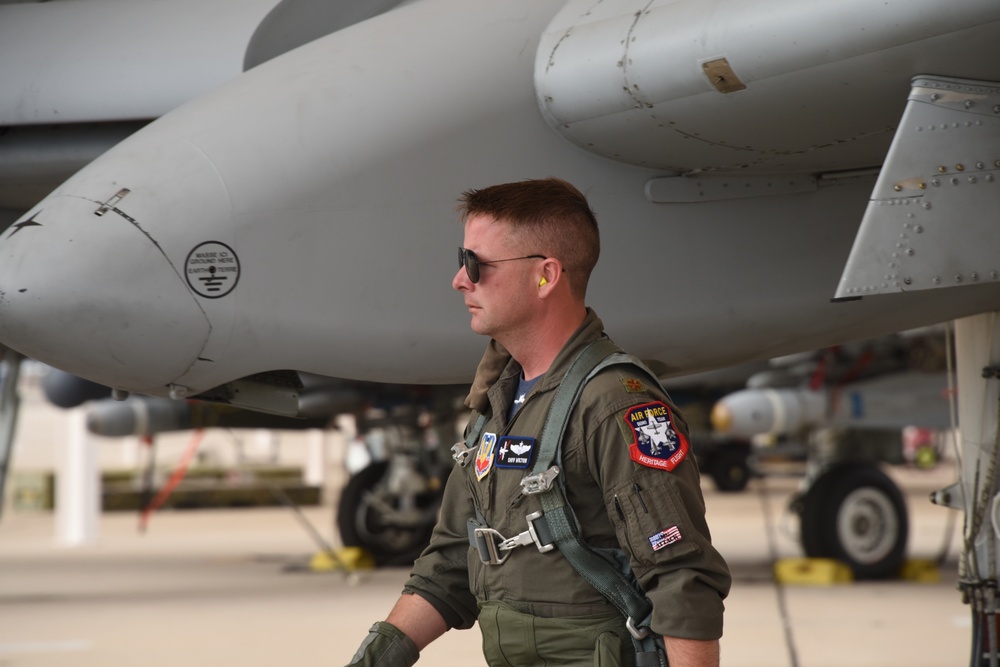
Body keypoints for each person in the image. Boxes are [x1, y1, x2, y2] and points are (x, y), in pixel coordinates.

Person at [346, 177, 731, 667]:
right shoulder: (497, 405)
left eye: (476, 264)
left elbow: (680, 578)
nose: (460, 280)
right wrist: (375, 658)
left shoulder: (614, 404)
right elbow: (450, 563)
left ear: (545, 276)